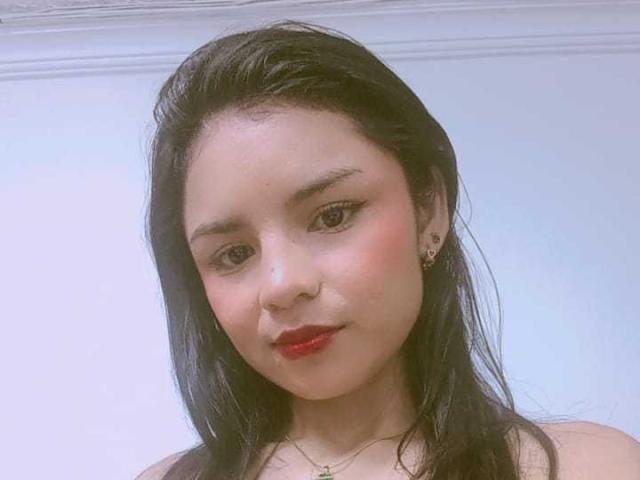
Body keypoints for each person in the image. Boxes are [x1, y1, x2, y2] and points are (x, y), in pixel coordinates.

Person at [138, 20, 639, 480]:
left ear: (429, 209)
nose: (282, 285)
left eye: (332, 216)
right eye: (233, 254)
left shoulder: (587, 468)